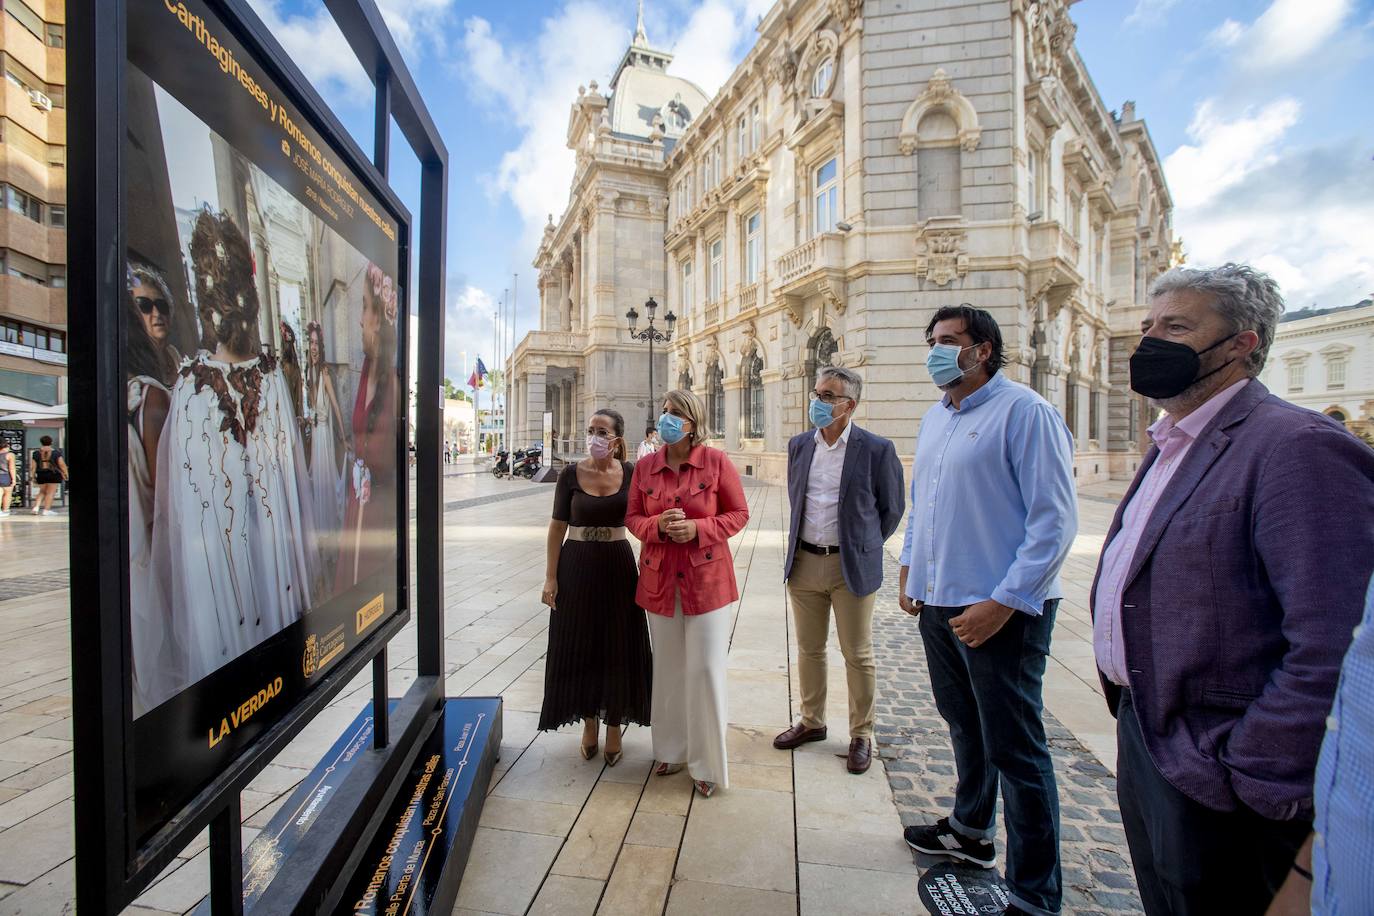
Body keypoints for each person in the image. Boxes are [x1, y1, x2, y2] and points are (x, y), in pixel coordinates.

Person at [1090, 263, 1374, 914]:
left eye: (1177, 326)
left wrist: (1246, 767)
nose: (1150, 342)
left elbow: (1336, 644)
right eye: (1148, 327)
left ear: (1241, 343)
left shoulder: (1298, 447)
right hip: (1148, 733)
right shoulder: (1173, 442)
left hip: (1217, 768)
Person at [899, 305, 1077, 916]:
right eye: (931, 341)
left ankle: (1034, 894)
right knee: (962, 721)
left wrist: (1002, 603)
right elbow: (925, 504)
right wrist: (912, 570)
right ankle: (971, 830)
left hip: (1002, 610)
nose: (936, 351)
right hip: (941, 599)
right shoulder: (936, 417)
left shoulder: (1026, 412)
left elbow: (1054, 523)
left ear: (983, 349)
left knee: (1016, 747)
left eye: (948, 341)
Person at [154, 208, 317, 687]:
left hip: (262, 550)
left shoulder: (262, 380)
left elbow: (287, 481)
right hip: (223, 560)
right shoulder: (193, 387)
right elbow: (189, 502)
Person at [774, 366, 905, 774]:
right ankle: (812, 722)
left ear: (850, 405)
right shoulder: (799, 446)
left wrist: (863, 545)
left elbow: (892, 508)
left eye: (829, 396)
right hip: (804, 563)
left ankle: (861, 733)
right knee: (810, 649)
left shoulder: (877, 449)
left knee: (858, 654)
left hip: (851, 567)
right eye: (817, 393)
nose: (819, 401)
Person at [626, 389, 749, 798]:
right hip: (659, 580)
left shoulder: (715, 463)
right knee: (669, 669)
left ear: (692, 423)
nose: (666, 419)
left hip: (706, 581)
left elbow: (739, 513)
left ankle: (707, 762)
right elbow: (633, 517)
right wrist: (656, 526)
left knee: (706, 670)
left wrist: (700, 529)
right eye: (663, 412)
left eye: (675, 413)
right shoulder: (645, 467)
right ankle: (670, 750)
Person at [537, 408, 653, 764]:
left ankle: (615, 723)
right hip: (577, 566)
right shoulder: (570, 474)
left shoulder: (631, 473)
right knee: (581, 642)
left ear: (616, 439)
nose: (595, 437)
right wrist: (551, 576)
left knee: (618, 643)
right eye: (590, 430)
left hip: (618, 565)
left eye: (602, 431)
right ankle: (589, 721)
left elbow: (644, 523)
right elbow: (557, 527)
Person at [126, 259, 181, 714]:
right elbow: (166, 502)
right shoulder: (148, 394)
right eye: (144, 306)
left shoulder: (170, 376)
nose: (156, 314)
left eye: (162, 304)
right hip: (150, 554)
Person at [337, 263, 400, 592]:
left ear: (379, 316)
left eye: (364, 306)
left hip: (377, 519)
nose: (360, 319)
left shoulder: (393, 384)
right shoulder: (366, 372)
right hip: (358, 510)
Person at [305, 320, 346, 562]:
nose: (313, 347)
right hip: (314, 436)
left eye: (316, 343)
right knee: (316, 483)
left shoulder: (324, 372)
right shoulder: (308, 373)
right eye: (310, 343)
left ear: (321, 345)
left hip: (324, 439)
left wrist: (342, 435)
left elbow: (335, 406)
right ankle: (321, 539)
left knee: (325, 483)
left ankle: (329, 538)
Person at [29, 435, 67, 515]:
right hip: (53, 474)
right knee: (50, 492)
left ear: (41, 442)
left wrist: (32, 476)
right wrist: (65, 473)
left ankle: (36, 507)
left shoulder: (36, 453)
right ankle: (46, 510)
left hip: (41, 474)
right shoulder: (56, 453)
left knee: (42, 492)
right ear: (51, 442)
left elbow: (33, 466)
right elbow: (62, 465)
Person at [0, 441, 14, 516]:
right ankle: (5, 510)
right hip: (5, 476)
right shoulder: (10, 455)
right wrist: (14, 479)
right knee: (7, 493)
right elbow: (12, 468)